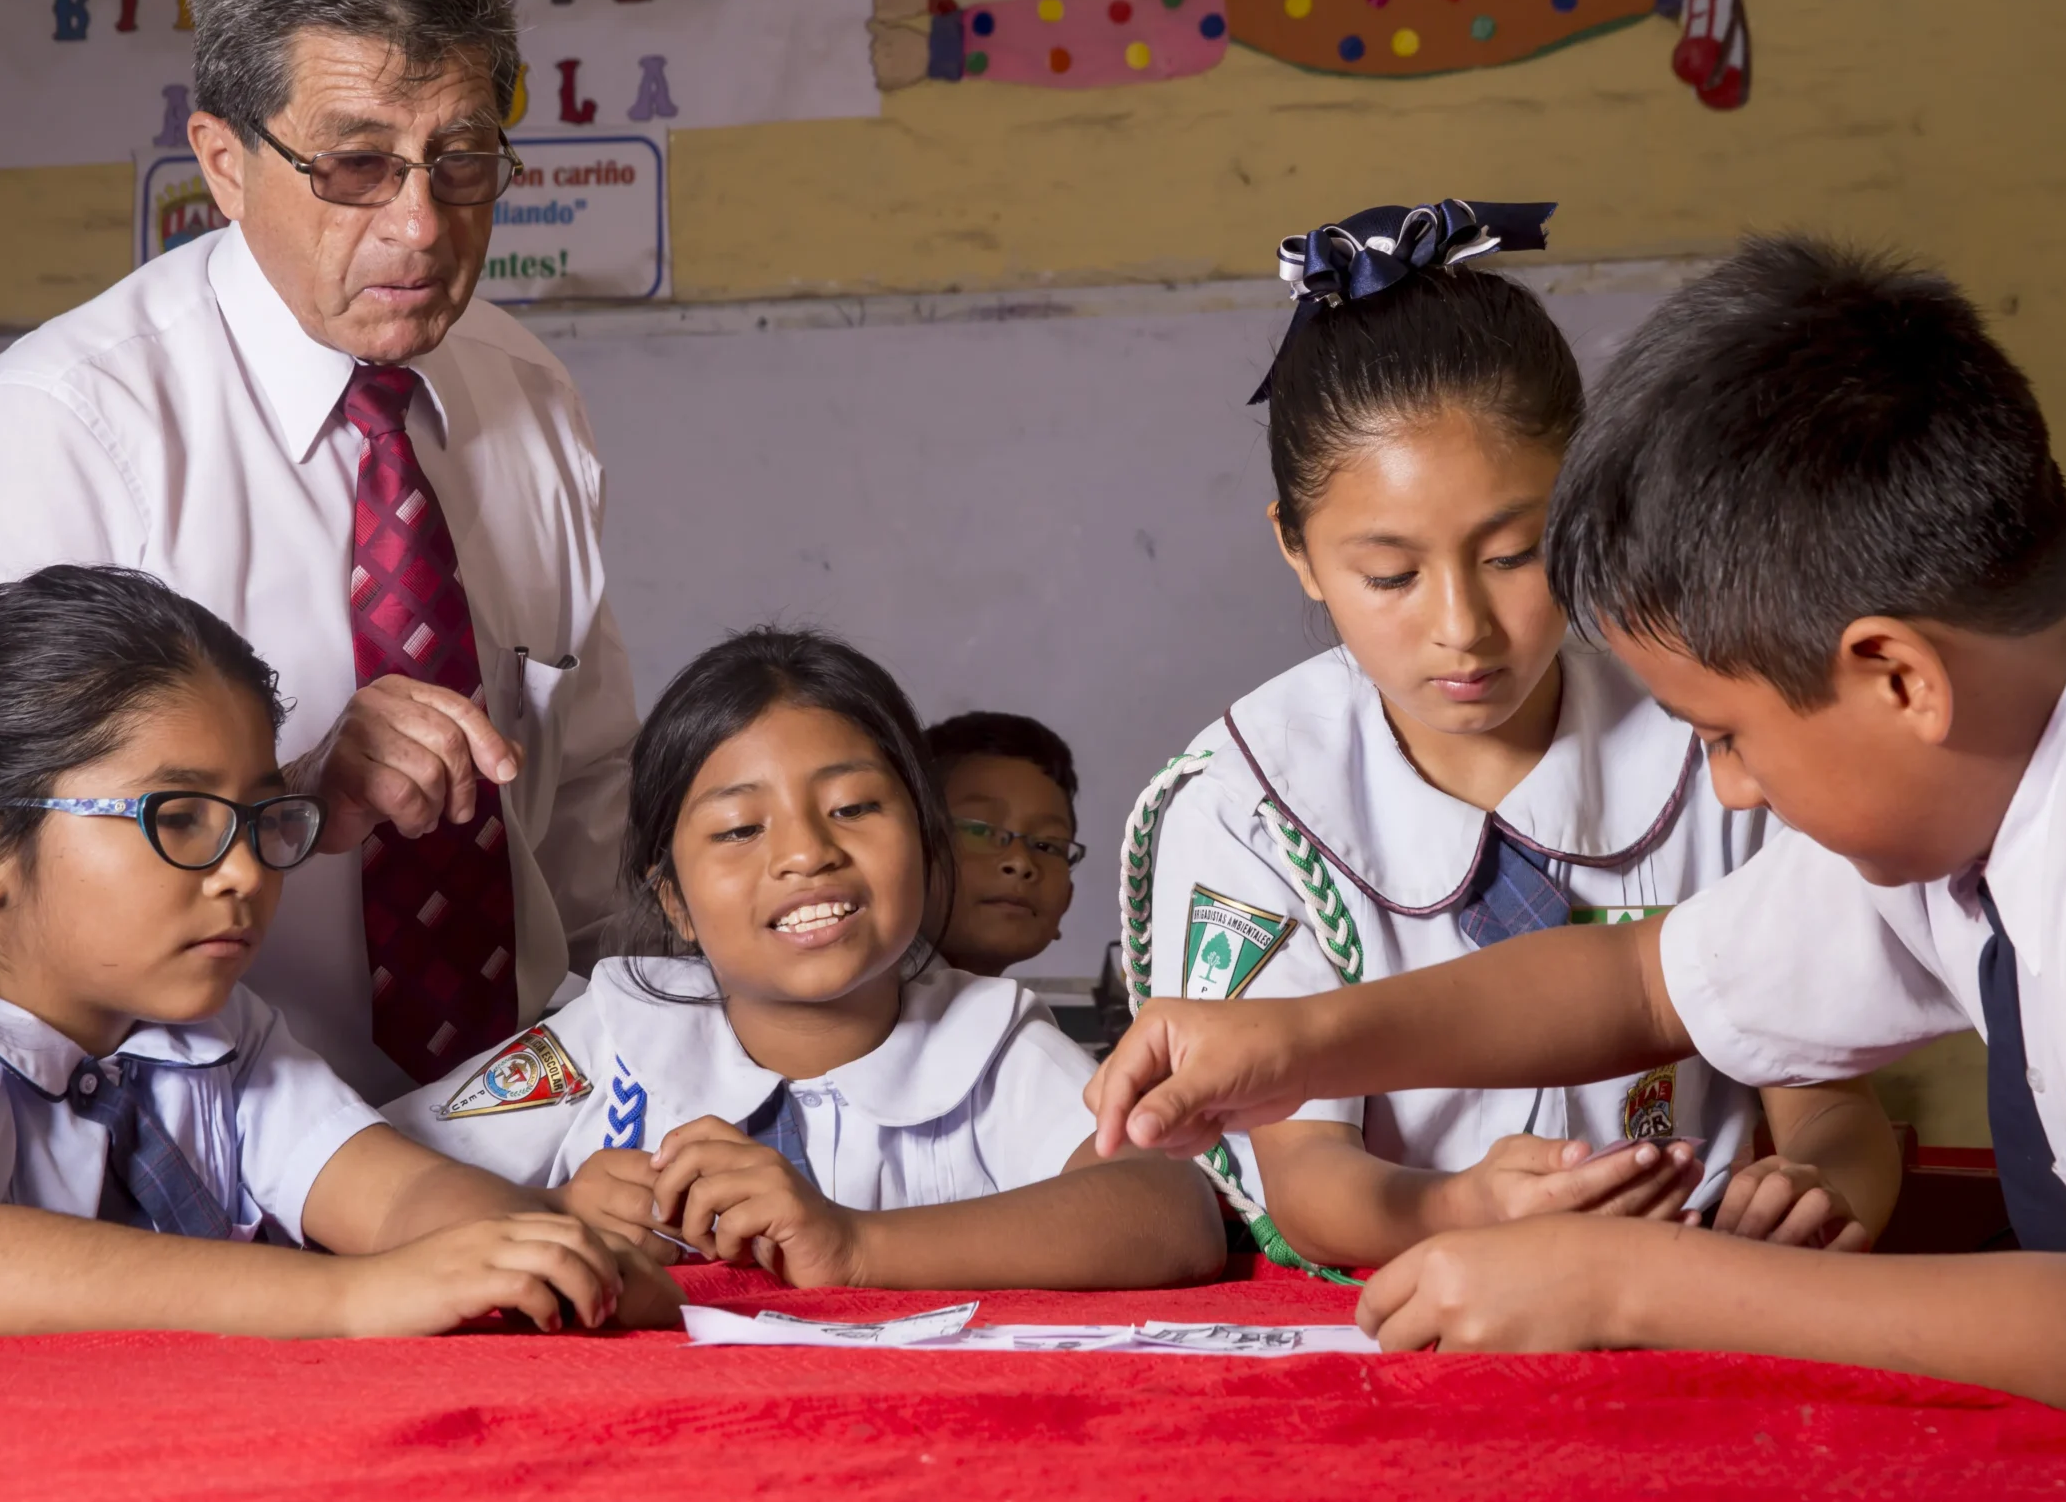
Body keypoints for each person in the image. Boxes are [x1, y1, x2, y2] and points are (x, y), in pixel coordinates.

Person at [1087, 235, 2066, 1410]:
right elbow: (1645, 983)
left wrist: (1619, 1284)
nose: (1729, 788)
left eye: (1727, 737)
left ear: (1896, 677)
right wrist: (1299, 1042)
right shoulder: (1987, 769)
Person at [0, 0, 637, 1101]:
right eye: (355, 165)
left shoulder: (527, 395)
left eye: (463, 158)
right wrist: (285, 791)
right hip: (179, 1150)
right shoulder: (63, 433)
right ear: (226, 164)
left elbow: (588, 802)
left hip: (516, 1122)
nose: (421, 223)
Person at [1115, 203, 1898, 1277]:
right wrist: (1458, 1209)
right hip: (1402, 1326)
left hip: (1688, 1296)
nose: (1460, 629)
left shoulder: (1717, 737)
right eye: (1389, 576)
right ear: (1296, 550)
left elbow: (1828, 1100)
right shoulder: (1248, 802)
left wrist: (1821, 1185)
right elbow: (1308, 1182)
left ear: (1581, 509)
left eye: (1514, 554)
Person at [0, 566, 678, 1343]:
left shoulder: (223, 1038)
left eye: (262, 817)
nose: (246, 871)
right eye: (177, 818)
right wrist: (348, 1295)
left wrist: (541, 1247)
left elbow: (397, 1196)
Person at [386, 629, 1224, 1290]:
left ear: (929, 848)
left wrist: (855, 1244)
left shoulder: (987, 1039)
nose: (805, 854)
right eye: (740, 828)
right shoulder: (617, 1027)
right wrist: (551, 1206)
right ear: (673, 898)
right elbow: (370, 1169)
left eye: (854, 806)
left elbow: (1170, 1210)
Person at [924, 711, 1084, 977]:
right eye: (978, 829)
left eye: (1047, 846)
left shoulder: (1017, 1015)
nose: (1020, 862)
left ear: (1067, 898)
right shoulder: (854, 1009)